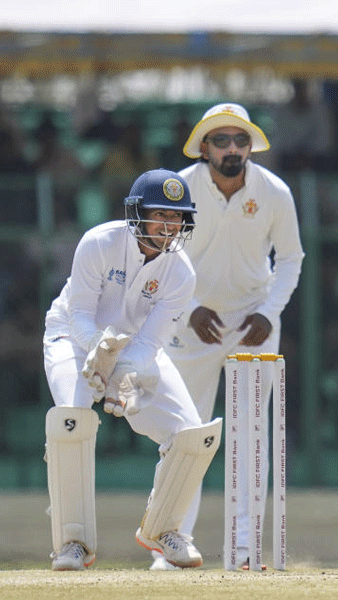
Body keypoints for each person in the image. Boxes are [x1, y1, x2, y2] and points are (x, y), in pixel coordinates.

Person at [42, 168, 222, 571]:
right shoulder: (99, 242)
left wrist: (123, 372)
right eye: (161, 214)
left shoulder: (181, 272)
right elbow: (79, 317)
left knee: (191, 436)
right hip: (72, 340)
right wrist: (99, 350)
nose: (169, 225)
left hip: (136, 347)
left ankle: (164, 530)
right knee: (72, 421)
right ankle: (71, 543)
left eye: (177, 217)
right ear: (137, 212)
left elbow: (149, 342)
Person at [160, 102, 304, 570]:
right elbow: (160, 256)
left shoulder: (274, 191)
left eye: (241, 140)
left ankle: (244, 548)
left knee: (250, 433)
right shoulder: (179, 190)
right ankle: (171, 540)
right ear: (204, 148)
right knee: (185, 431)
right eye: (221, 141)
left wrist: (267, 312)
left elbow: (290, 259)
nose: (233, 149)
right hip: (190, 320)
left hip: (251, 321)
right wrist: (186, 308)